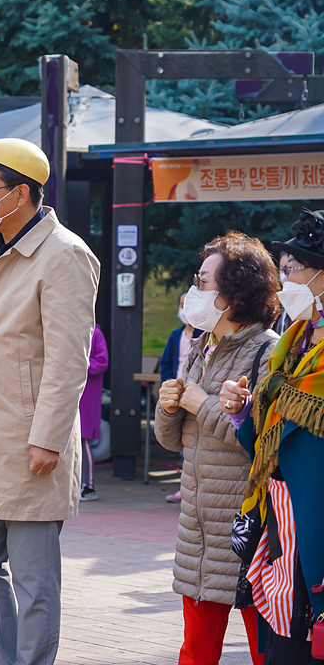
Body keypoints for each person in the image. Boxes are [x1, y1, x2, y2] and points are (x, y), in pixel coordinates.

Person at [0, 138, 100, 665]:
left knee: (34, 579)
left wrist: (48, 438)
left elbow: (67, 359)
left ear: (23, 193)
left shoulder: (66, 254)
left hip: (32, 439)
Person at [155, 233, 279, 665]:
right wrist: (170, 407)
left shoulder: (267, 349)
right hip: (197, 528)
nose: (195, 289)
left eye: (203, 281)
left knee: (266, 649)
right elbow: (171, 440)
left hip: (246, 529)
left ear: (234, 292)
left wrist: (200, 404)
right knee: (195, 652)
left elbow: (263, 440)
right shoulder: (203, 346)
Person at [223, 209, 324, 663]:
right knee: (282, 640)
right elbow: (273, 431)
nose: (284, 282)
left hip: (316, 512)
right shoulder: (296, 338)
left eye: (292, 269)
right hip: (283, 516)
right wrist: (245, 412)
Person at [160, 291, 202, 504]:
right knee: (181, 443)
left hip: (194, 393)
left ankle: (193, 489)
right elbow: (166, 362)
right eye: (181, 304)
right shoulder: (176, 335)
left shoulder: (204, 334)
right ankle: (183, 487)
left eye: (188, 304)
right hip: (176, 393)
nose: (184, 309)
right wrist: (168, 383)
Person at [77, 325, 109, 502]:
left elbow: (102, 362)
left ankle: (88, 486)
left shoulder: (95, 331)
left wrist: (80, 363)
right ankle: (77, 485)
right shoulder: (71, 329)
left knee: (83, 439)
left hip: (87, 394)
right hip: (74, 393)